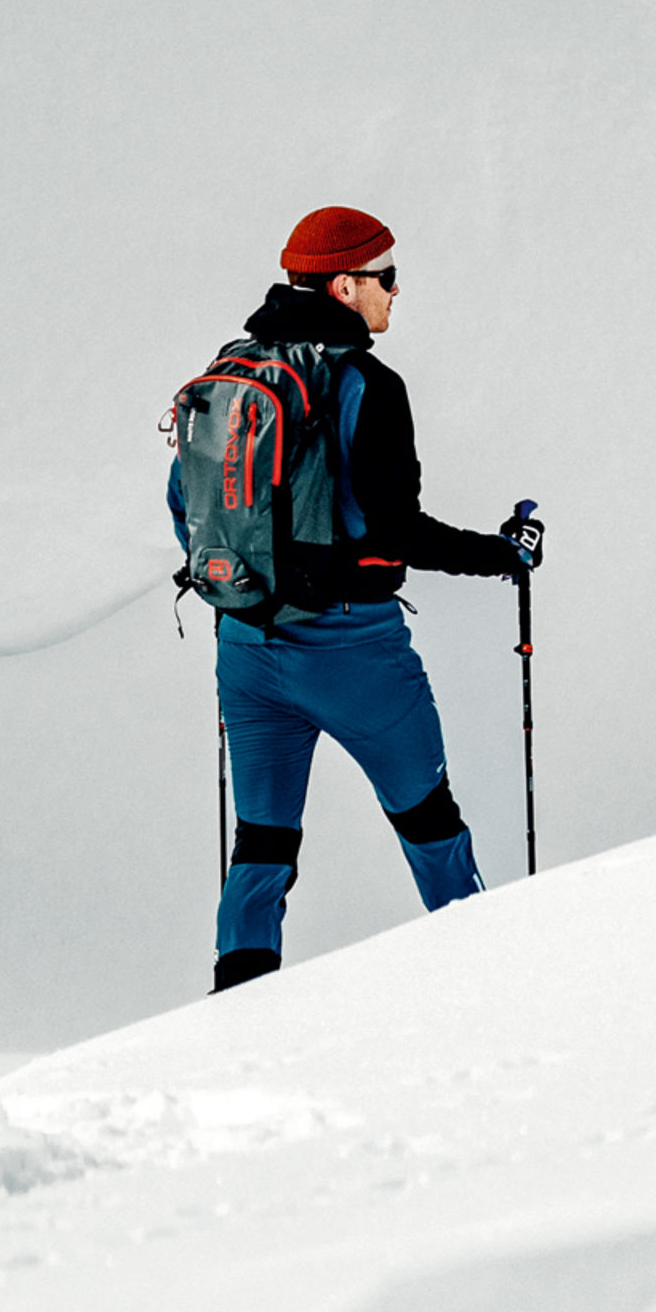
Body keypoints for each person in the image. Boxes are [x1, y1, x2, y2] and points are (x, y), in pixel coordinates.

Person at [179, 206, 538, 994]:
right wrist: (501, 554)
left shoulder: (231, 369)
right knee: (429, 820)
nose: (395, 291)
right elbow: (395, 528)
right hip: (351, 650)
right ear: (344, 285)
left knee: (263, 842)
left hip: (244, 646)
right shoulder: (367, 385)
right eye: (385, 277)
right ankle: (486, 984)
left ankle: (233, 1009)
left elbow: (188, 506)